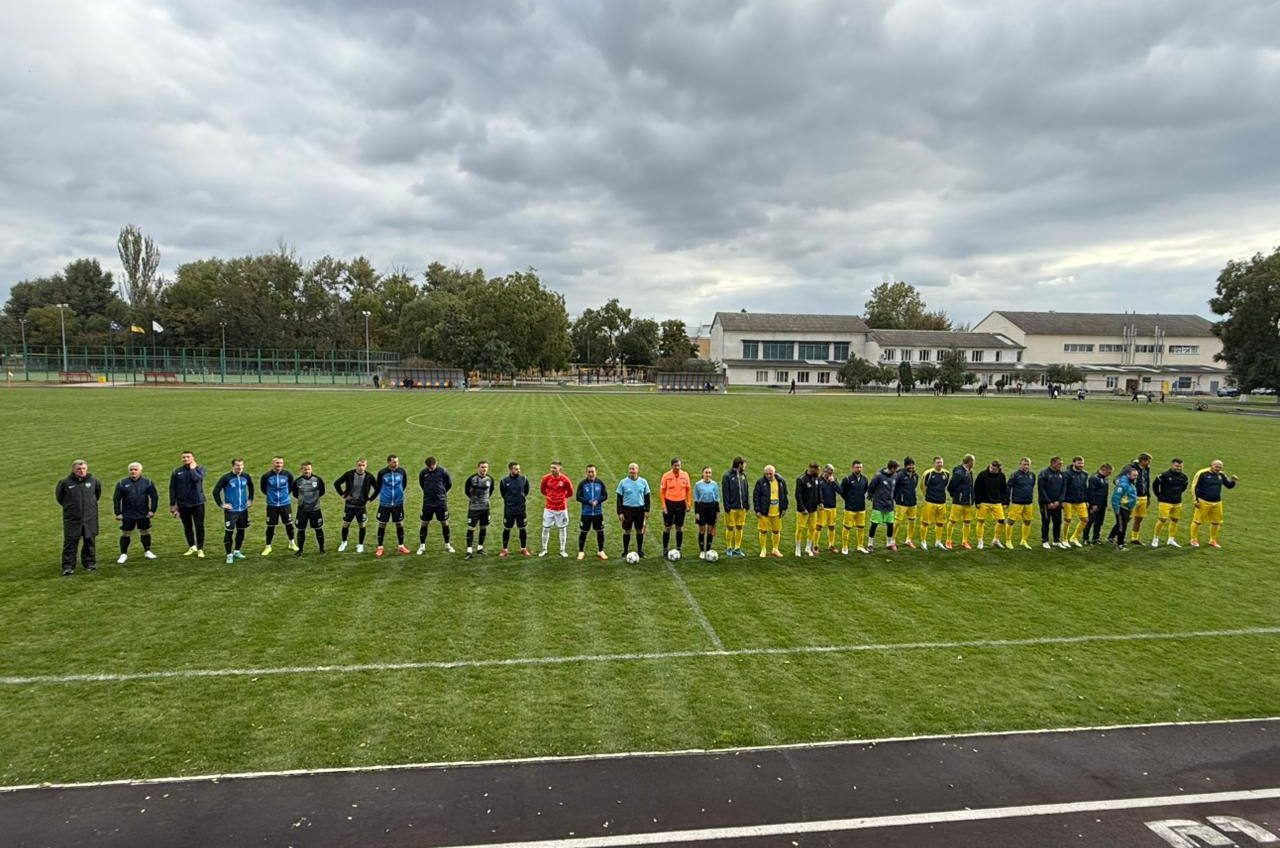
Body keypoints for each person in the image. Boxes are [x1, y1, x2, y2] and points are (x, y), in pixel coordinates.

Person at [56, 459, 101, 575]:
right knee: (70, 542)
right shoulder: (65, 483)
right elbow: (60, 498)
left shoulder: (93, 481)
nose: (81, 471)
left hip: (90, 518)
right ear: (73, 470)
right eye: (78, 469)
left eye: (83, 469)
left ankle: (90, 563)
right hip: (72, 519)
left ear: (87, 469)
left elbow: (97, 495)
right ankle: (68, 566)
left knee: (89, 541)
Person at [113, 462, 158, 564]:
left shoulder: (148, 482)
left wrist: (152, 510)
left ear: (140, 471)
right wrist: (118, 513)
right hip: (128, 513)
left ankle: (147, 551)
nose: (133, 471)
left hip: (143, 513)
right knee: (126, 533)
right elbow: (116, 499)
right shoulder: (122, 483)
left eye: (135, 469)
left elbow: (154, 497)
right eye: (131, 470)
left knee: (145, 531)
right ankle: (123, 554)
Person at [212, 458, 254, 564]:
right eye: (237, 465)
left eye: (241, 465)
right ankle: (229, 555)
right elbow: (215, 491)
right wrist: (222, 504)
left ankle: (237, 551)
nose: (239, 467)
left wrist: (250, 499)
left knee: (241, 530)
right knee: (229, 532)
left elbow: (251, 487)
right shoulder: (226, 478)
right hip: (231, 511)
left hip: (243, 510)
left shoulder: (246, 476)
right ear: (233, 466)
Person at [1189, 460, 1238, 548]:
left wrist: (1233, 481)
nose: (1218, 469)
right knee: (1197, 521)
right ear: (1211, 465)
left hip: (1217, 502)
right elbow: (1194, 486)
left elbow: (1228, 486)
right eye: (1216, 466)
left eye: (1220, 467)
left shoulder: (1221, 475)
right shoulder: (1202, 473)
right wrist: (1195, 500)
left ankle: (1213, 540)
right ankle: (1193, 539)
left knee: (1216, 522)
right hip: (1203, 501)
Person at [169, 451, 207, 558]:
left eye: (188, 457)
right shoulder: (177, 471)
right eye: (183, 457)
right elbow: (172, 488)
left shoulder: (200, 469)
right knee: (187, 526)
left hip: (198, 503)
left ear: (193, 458)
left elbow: (196, 479)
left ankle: (200, 548)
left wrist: (192, 469)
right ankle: (192, 546)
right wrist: (173, 504)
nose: (185, 459)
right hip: (183, 504)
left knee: (199, 526)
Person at [335, 458, 377, 553]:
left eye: (363, 465)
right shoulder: (349, 474)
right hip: (349, 505)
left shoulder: (369, 476)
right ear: (356, 465)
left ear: (366, 466)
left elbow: (377, 488)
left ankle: (360, 544)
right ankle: (344, 542)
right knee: (346, 524)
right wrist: (343, 495)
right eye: (359, 465)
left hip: (361, 506)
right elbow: (336, 483)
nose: (361, 467)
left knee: (362, 525)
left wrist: (370, 499)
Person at [260, 456, 297, 556]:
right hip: (272, 505)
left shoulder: (288, 475)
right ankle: (268, 547)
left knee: (289, 524)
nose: (279, 465)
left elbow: (290, 487)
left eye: (280, 463)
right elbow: (263, 489)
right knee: (270, 526)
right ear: (273, 464)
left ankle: (292, 543)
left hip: (285, 504)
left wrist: (283, 497)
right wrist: (272, 497)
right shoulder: (266, 476)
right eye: (277, 463)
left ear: (283, 464)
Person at [417, 457, 455, 555]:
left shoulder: (443, 471)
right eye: (429, 467)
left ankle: (447, 545)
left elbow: (449, 484)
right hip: (428, 503)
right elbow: (422, 484)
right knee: (424, 523)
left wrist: (442, 493)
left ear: (436, 463)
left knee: (444, 522)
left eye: (432, 467)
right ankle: (422, 546)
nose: (431, 468)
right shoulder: (423, 473)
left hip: (440, 503)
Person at [375, 454, 410, 557]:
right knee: (382, 524)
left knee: (399, 523)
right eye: (394, 462)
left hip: (398, 503)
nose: (396, 464)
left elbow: (403, 485)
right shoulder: (382, 473)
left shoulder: (402, 471)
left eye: (397, 461)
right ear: (389, 462)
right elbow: (378, 486)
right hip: (385, 503)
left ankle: (401, 546)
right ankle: (380, 547)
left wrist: (397, 495)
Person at [657, 458, 693, 556]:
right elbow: (662, 492)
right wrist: (664, 506)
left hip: (681, 504)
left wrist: (689, 503)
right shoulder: (666, 476)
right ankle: (665, 548)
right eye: (675, 466)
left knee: (679, 527)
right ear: (672, 466)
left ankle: (678, 548)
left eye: (679, 465)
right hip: (669, 504)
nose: (677, 467)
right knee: (667, 527)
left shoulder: (685, 475)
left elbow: (688, 490)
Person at [616, 462, 652, 558]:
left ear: (637, 470)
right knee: (627, 530)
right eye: (630, 469)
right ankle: (625, 551)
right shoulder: (623, 482)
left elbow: (647, 497)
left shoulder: (643, 482)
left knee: (639, 530)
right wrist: (620, 512)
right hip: (627, 509)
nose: (631, 471)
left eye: (633, 469)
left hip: (640, 509)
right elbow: (619, 499)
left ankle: (640, 551)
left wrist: (647, 510)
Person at [1150, 458, 1189, 547]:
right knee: (1162, 519)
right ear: (1172, 465)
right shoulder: (1164, 475)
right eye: (1176, 466)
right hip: (1165, 501)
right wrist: (1159, 495)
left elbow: (1184, 487)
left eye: (1180, 466)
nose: (1178, 468)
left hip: (1177, 502)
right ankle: (1155, 538)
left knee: (1175, 520)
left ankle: (1171, 539)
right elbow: (1155, 485)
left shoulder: (1184, 477)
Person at [290, 461, 326, 556]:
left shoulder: (317, 480)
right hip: (302, 510)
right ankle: (300, 550)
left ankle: (322, 549)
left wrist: (312, 500)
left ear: (311, 469)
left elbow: (322, 491)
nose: (307, 471)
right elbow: (294, 494)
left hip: (315, 509)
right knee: (301, 530)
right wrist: (304, 500)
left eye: (308, 469)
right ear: (301, 470)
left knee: (318, 529)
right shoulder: (297, 481)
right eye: (305, 469)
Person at [539, 460, 574, 557]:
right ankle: (544, 549)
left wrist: (561, 498)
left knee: (562, 528)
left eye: (554, 468)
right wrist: (550, 497)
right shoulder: (546, 478)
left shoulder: (565, 480)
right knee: (545, 528)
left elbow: (570, 492)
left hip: (561, 508)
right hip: (549, 508)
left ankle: (562, 550)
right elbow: (542, 490)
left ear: (560, 468)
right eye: (551, 468)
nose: (552, 470)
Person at [753, 464, 788, 557]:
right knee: (763, 531)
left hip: (777, 512)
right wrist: (757, 510)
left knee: (776, 531)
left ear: (774, 473)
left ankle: (775, 549)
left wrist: (784, 508)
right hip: (765, 512)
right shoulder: (760, 482)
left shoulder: (781, 481)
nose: (768, 475)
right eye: (766, 474)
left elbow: (785, 495)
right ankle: (763, 549)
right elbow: (756, 497)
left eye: (770, 474)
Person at [575, 464, 608, 561]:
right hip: (586, 513)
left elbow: (605, 495)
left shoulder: (600, 483)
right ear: (586, 472)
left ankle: (601, 551)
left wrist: (598, 501)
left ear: (596, 472)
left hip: (598, 513)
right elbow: (578, 497)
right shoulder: (582, 484)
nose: (591, 473)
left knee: (600, 532)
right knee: (584, 532)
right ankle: (581, 551)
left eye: (592, 471)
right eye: (589, 472)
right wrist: (589, 502)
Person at [499, 461, 532, 557]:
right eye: (516, 469)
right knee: (507, 529)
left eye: (519, 468)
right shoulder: (504, 481)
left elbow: (526, 491)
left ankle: (523, 548)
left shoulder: (524, 479)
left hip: (521, 510)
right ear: (510, 469)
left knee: (522, 528)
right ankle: (505, 549)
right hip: (509, 510)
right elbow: (503, 494)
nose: (518, 470)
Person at [972, 459, 1007, 550]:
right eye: (991, 467)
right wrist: (977, 502)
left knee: (1001, 520)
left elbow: (1004, 490)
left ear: (998, 469)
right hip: (984, 502)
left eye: (994, 469)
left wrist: (1005, 502)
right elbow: (976, 488)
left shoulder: (1001, 476)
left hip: (997, 502)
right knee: (981, 521)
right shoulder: (982, 474)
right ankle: (980, 541)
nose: (991, 470)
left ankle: (996, 540)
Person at [866, 460, 900, 552]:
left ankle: (889, 543)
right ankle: (870, 544)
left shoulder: (895, 476)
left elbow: (895, 488)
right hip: (878, 505)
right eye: (896, 469)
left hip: (889, 505)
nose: (897, 471)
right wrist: (871, 496)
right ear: (892, 468)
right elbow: (871, 488)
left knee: (890, 524)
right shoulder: (878, 476)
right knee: (874, 524)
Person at [463, 460, 494, 559]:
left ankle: (480, 548)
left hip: (485, 508)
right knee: (471, 528)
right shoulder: (471, 479)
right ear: (478, 468)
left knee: (483, 527)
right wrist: (475, 500)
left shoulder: (490, 479)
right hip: (474, 508)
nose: (484, 469)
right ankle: (469, 551)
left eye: (485, 467)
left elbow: (491, 491)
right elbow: (466, 491)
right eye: (482, 467)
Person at [720, 457, 750, 558]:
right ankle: (729, 547)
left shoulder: (743, 475)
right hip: (732, 508)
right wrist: (727, 507)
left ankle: (737, 548)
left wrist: (747, 504)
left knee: (740, 527)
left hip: (742, 508)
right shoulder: (727, 476)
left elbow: (746, 489)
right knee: (730, 527)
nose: (745, 467)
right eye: (744, 465)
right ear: (740, 465)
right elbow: (725, 492)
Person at [837, 460, 869, 554]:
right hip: (850, 508)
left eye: (860, 467)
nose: (859, 469)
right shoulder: (847, 479)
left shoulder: (865, 479)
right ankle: (845, 547)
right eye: (857, 467)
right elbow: (842, 492)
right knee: (847, 527)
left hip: (861, 508)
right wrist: (848, 500)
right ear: (852, 468)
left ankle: (860, 546)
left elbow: (865, 490)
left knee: (861, 527)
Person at [945, 454, 976, 550]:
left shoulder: (969, 472)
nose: (974, 463)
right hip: (958, 502)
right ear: (969, 462)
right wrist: (955, 495)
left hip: (968, 501)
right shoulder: (959, 473)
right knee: (953, 521)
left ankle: (965, 541)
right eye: (973, 461)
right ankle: (948, 540)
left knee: (967, 521)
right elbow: (951, 486)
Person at [1037, 456, 1068, 549]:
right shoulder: (1044, 474)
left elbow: (1064, 489)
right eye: (1059, 463)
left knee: (1057, 522)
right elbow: (1041, 490)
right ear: (1053, 463)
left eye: (1061, 463)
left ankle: (1056, 540)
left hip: (1057, 503)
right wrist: (1049, 502)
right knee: (1046, 521)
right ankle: (1045, 540)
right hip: (1046, 504)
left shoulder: (1062, 474)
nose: (1061, 465)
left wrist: (1059, 501)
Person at [920, 456, 950, 551]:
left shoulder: (946, 473)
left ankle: (938, 541)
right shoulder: (928, 473)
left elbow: (944, 485)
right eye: (938, 462)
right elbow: (922, 486)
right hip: (930, 502)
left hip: (942, 502)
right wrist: (928, 495)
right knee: (925, 522)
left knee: (940, 523)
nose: (940, 464)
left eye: (941, 462)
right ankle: (923, 541)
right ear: (934, 463)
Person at [1123, 453, 1153, 545]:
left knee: (1139, 519)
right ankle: (1117, 537)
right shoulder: (1131, 468)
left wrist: (1148, 497)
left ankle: (1134, 538)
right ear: (1143, 461)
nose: (1149, 463)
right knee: (1126, 518)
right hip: (1133, 497)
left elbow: (1146, 483)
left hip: (1143, 497)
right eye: (1148, 461)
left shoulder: (1146, 469)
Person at [793, 462, 822, 557]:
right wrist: (802, 508)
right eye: (817, 469)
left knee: (812, 528)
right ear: (811, 469)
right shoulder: (801, 479)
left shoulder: (816, 478)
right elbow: (798, 495)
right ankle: (797, 549)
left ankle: (808, 548)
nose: (818, 471)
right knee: (800, 529)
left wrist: (820, 502)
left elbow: (818, 491)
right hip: (803, 510)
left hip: (813, 509)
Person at [1108, 466, 1140, 548]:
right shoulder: (1123, 485)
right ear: (1128, 475)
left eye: (1136, 475)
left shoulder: (1130, 483)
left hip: (1127, 508)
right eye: (1134, 475)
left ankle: (1111, 537)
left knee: (1120, 524)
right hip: (1122, 508)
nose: (1135, 477)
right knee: (1122, 527)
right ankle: (1120, 544)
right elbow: (1116, 498)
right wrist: (1117, 510)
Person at [693, 466, 720, 560]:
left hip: (712, 507)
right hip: (702, 508)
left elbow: (717, 498)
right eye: (706, 472)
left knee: (710, 530)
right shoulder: (698, 485)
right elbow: (696, 499)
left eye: (709, 473)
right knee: (702, 529)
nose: (708, 474)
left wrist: (717, 511)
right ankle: (701, 551)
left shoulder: (715, 484)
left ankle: (708, 550)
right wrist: (696, 512)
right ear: (702, 474)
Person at [1062, 456, 1090, 547]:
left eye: (1082, 463)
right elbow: (1063, 488)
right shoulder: (1067, 474)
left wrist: (1086, 500)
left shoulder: (1085, 474)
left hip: (1080, 500)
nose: (1081, 465)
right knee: (1068, 520)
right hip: (1068, 500)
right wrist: (1062, 500)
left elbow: (1085, 488)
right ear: (1073, 463)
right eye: (1079, 463)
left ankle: (1074, 537)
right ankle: (1064, 539)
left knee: (1085, 520)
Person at [893, 457, 919, 550]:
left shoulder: (916, 476)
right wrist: (897, 498)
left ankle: (909, 539)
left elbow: (914, 486)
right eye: (910, 465)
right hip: (901, 502)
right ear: (906, 466)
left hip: (912, 502)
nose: (912, 467)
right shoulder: (899, 475)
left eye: (913, 465)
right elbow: (894, 487)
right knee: (898, 521)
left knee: (912, 521)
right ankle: (892, 540)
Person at [1084, 463, 1113, 544]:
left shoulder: (1106, 479)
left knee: (1099, 522)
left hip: (1102, 504)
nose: (1109, 474)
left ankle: (1096, 538)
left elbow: (1105, 493)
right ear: (1104, 470)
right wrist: (1093, 504)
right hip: (1095, 504)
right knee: (1090, 521)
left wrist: (1105, 504)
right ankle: (1085, 538)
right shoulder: (1094, 478)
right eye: (1109, 472)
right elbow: (1091, 492)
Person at [817, 464, 840, 552]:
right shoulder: (819, 480)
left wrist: (834, 482)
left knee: (832, 526)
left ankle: (831, 545)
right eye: (829, 472)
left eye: (832, 473)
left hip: (832, 507)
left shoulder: (834, 480)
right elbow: (817, 493)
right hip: (823, 507)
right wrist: (820, 502)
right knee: (819, 526)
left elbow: (840, 490)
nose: (830, 474)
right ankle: (815, 546)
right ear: (824, 471)